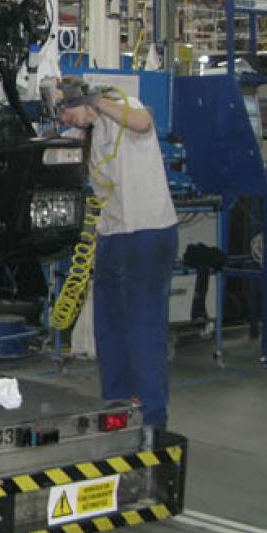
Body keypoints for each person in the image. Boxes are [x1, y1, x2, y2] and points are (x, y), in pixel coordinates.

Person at [60, 80, 178, 430]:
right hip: (112, 236)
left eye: (70, 108)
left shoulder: (123, 108)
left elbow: (144, 123)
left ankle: (152, 421)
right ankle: (115, 410)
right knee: (109, 329)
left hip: (146, 232)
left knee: (142, 329)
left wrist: (96, 101)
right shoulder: (93, 131)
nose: (67, 117)